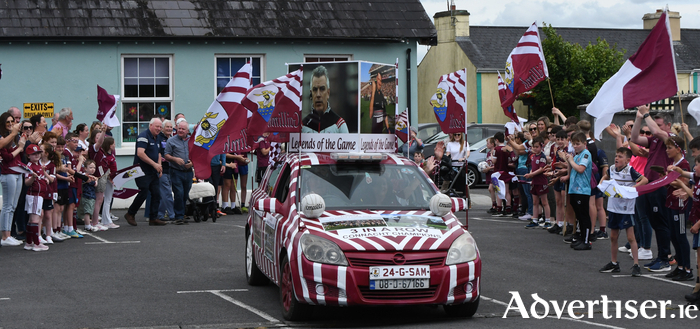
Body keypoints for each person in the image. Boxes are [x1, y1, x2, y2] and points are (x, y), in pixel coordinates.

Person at [631, 105, 675, 272]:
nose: (655, 127)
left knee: (661, 222)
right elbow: (635, 138)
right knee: (655, 222)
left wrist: (646, 113)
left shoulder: (670, 137)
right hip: (650, 184)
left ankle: (665, 258)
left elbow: (658, 132)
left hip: (661, 185)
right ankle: (662, 256)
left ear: (668, 126)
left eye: (660, 124)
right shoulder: (655, 139)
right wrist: (638, 118)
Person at [598, 147, 648, 277]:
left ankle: (636, 265)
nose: (616, 158)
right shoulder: (612, 169)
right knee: (614, 236)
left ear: (627, 160)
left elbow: (645, 180)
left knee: (630, 237)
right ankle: (614, 263)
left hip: (626, 209)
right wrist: (602, 184)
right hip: (613, 207)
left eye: (620, 156)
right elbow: (605, 176)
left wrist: (632, 189)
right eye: (616, 155)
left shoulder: (630, 170)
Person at [124, 118, 167, 226]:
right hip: (141, 171)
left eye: (160, 127)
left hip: (153, 172)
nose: (159, 129)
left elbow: (159, 153)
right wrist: (154, 164)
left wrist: (159, 166)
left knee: (157, 194)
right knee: (143, 192)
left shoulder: (157, 138)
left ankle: (153, 218)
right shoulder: (143, 136)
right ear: (150, 125)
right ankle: (130, 213)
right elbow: (140, 153)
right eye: (157, 126)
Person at [670, 157, 700, 302]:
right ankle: (697, 289)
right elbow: (687, 175)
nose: (694, 167)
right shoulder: (697, 179)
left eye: (698, 164)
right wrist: (680, 173)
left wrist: (698, 224)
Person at [663, 136, 693, 280]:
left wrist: (666, 177)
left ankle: (687, 269)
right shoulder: (672, 163)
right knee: (673, 235)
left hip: (680, 204)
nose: (667, 150)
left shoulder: (684, 164)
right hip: (671, 202)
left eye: (669, 147)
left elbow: (685, 183)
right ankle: (680, 266)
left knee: (681, 236)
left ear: (678, 149)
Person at [561, 132, 593, 250]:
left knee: (584, 215)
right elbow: (572, 169)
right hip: (574, 188)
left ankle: (587, 240)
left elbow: (580, 169)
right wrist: (568, 160)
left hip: (582, 190)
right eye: (573, 144)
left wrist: (572, 161)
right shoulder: (577, 155)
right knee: (578, 215)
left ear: (584, 143)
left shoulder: (586, 154)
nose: (575, 146)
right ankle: (580, 236)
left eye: (578, 144)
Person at [0, 112, 26, 247]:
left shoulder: (13, 137)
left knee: (13, 206)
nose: (11, 124)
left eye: (12, 121)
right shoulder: (4, 138)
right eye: (8, 122)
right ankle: (5, 236)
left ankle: (9, 234)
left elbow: (18, 154)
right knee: (8, 206)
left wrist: (22, 145)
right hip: (8, 173)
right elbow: (8, 157)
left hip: (17, 172)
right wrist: (20, 147)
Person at [301, 65, 349, 133]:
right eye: (315, 89)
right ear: (311, 93)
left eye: (322, 89)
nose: (318, 94)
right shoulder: (303, 127)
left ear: (328, 93)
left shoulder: (339, 125)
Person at [23, 144, 53, 251]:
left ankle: (29, 242)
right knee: (35, 219)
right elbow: (27, 182)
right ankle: (36, 243)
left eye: (38, 153)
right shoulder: (29, 167)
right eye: (33, 154)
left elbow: (42, 178)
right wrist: (33, 177)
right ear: (29, 155)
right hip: (34, 195)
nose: (36, 155)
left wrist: (45, 180)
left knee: (32, 219)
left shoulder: (39, 166)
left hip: (39, 195)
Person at [164, 120, 194, 224]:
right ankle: (179, 216)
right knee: (179, 193)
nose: (180, 130)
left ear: (187, 131)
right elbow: (166, 155)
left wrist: (192, 163)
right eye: (179, 128)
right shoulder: (171, 141)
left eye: (183, 129)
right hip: (176, 171)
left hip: (189, 171)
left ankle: (182, 214)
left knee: (185, 194)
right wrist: (175, 159)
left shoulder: (192, 141)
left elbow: (197, 155)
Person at [524, 137, 551, 229]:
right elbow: (533, 168)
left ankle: (547, 220)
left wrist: (531, 175)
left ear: (541, 147)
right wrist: (530, 173)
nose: (535, 148)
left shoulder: (542, 157)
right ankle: (534, 219)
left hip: (541, 181)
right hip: (534, 182)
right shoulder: (533, 156)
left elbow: (541, 169)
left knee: (544, 202)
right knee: (535, 201)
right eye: (533, 147)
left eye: (537, 147)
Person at [157, 120, 175, 222]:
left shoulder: (172, 139)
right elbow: (158, 152)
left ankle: (160, 214)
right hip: (162, 169)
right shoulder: (159, 138)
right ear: (163, 128)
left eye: (170, 127)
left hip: (171, 169)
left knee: (164, 192)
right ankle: (172, 214)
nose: (169, 129)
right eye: (167, 127)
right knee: (167, 192)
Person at [78, 160, 100, 232]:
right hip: (88, 196)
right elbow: (95, 184)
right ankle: (87, 226)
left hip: (91, 196)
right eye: (90, 167)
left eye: (94, 167)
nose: (93, 169)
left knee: (89, 211)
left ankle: (88, 225)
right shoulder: (86, 177)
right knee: (87, 212)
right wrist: (96, 180)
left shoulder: (91, 176)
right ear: (85, 168)